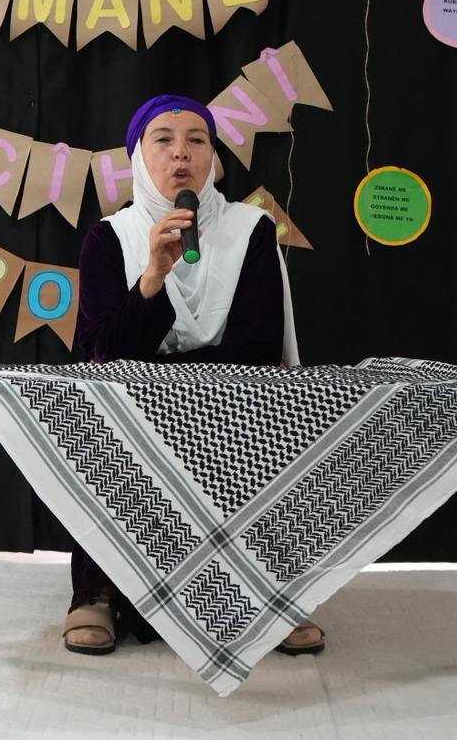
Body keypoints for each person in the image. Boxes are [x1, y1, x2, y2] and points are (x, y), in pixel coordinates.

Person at [64, 93, 320, 656]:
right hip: (134, 409)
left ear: (212, 157)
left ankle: (269, 595)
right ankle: (97, 591)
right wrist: (153, 275)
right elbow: (103, 352)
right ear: (139, 158)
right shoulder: (109, 238)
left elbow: (259, 346)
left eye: (197, 140)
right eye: (164, 139)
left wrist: (169, 381)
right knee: (95, 421)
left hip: (233, 403)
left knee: (270, 419)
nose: (181, 152)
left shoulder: (251, 230)